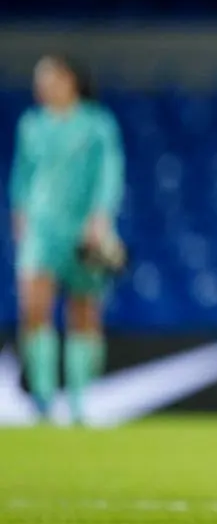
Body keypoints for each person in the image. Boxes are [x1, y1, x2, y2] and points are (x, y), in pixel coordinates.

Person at [10, 55, 125, 425]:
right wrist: (20, 215)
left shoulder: (96, 123)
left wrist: (101, 217)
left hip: (83, 228)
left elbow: (110, 172)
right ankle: (43, 400)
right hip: (41, 227)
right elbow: (21, 176)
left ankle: (78, 401)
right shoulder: (31, 124)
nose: (41, 86)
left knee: (84, 313)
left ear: (70, 80)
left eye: (48, 78)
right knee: (34, 309)